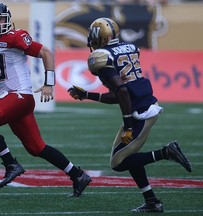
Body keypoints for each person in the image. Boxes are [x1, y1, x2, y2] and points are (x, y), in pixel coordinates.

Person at [0, 1, 91, 197]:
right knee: (37, 147)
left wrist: (49, 83)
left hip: (20, 95)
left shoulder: (16, 37)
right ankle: (78, 175)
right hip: (11, 100)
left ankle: (11, 164)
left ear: (7, 20)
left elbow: (46, 52)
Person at [68, 17, 192, 212]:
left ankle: (166, 152)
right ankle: (151, 201)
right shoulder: (128, 48)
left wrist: (127, 125)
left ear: (101, 38)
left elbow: (123, 92)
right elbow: (119, 93)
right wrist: (87, 95)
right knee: (127, 157)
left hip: (139, 114)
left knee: (118, 163)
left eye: (93, 37)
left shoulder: (100, 57)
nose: (91, 41)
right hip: (142, 107)